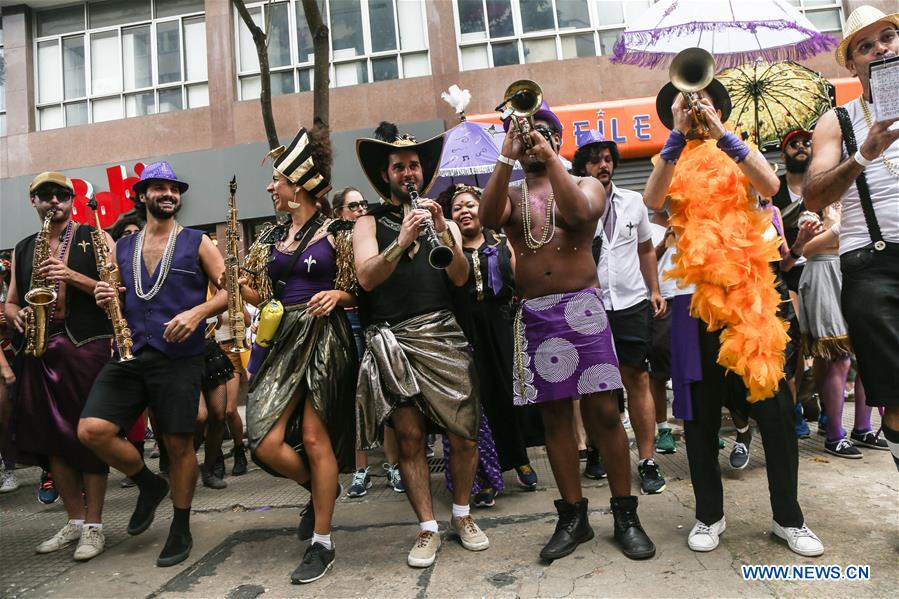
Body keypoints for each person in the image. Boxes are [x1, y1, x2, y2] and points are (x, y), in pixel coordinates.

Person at [642, 74, 824, 557]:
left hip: (750, 302)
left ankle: (789, 518)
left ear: (717, 106)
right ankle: (708, 515)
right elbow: (651, 202)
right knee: (699, 417)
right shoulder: (672, 157)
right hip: (691, 303)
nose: (694, 105)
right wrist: (677, 137)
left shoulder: (737, 149)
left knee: (776, 411)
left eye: (700, 98)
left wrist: (722, 133)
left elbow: (770, 185)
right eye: (685, 101)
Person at [481, 102, 655, 562]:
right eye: (527, 133)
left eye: (544, 132)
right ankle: (573, 517)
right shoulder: (512, 191)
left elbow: (580, 215)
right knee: (556, 419)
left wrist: (548, 158)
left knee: (603, 413)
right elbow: (484, 218)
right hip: (534, 312)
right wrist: (505, 153)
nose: (534, 138)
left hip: (584, 309)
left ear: (558, 141)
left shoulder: (584, 182)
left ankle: (625, 514)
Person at [79, 161, 228, 568]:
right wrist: (104, 298)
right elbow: (117, 294)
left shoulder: (198, 241)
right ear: (142, 195)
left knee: (179, 446)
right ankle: (148, 484)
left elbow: (229, 291)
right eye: (158, 187)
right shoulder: (121, 245)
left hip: (179, 357)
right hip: (129, 354)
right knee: (91, 430)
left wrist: (197, 313)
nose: (168, 194)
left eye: (174, 188)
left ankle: (181, 525)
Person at [354, 122, 487, 569]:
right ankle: (428, 526)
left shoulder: (443, 218)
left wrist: (440, 230)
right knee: (409, 438)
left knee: (464, 432)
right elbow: (366, 278)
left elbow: (461, 278)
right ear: (386, 174)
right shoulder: (367, 222)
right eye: (399, 167)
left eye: (413, 166)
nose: (407, 173)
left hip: (444, 334)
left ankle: (463, 515)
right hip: (395, 338)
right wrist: (404, 240)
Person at [239, 124, 358, 584]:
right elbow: (255, 292)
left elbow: (359, 288)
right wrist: (239, 283)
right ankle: (320, 486)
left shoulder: (337, 231)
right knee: (264, 442)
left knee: (313, 438)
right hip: (282, 337)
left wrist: (339, 297)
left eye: (278, 181)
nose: (271, 187)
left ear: (300, 187)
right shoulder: (268, 236)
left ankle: (322, 543)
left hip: (326, 337)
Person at [803, 5, 899, 472]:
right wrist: (862, 154)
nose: (880, 48)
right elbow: (812, 195)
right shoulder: (836, 121)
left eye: (887, 37)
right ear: (852, 63)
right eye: (866, 45)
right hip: (872, 265)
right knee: (896, 397)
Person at [3, 172, 114, 561]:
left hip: (86, 347)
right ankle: (75, 520)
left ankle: (96, 526)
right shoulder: (22, 247)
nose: (54, 201)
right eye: (45, 196)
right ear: (33, 201)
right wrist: (15, 315)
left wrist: (69, 275)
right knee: (54, 442)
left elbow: (114, 292)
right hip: (39, 350)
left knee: (88, 437)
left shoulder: (97, 237)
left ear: (73, 199)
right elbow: (13, 300)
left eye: (61, 195)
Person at [571, 130, 668, 495]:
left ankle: (647, 459)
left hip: (630, 303)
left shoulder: (633, 203)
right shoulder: (575, 204)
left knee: (637, 378)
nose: (604, 164)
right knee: (596, 384)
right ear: (583, 165)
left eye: (608, 158)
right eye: (595, 159)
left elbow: (645, 248)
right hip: (588, 306)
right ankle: (599, 449)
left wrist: (654, 289)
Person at [443, 183, 541, 506]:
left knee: (508, 392)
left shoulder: (502, 243)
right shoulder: (447, 249)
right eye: (457, 208)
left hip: (503, 325)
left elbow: (521, 284)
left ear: (482, 209)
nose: (464, 211)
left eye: (470, 204)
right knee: (480, 402)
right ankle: (486, 471)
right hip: (467, 330)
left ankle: (520, 458)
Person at [331, 187, 405, 497]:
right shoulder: (332, 239)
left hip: (377, 317)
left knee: (386, 394)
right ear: (340, 212)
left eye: (363, 203)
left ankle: (393, 465)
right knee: (356, 397)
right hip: (348, 320)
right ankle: (361, 471)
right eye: (353, 205)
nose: (361, 208)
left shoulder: (375, 231)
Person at [797, 208, 888, 457]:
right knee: (840, 359)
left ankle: (862, 428)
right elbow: (806, 250)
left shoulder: (858, 206)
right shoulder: (813, 214)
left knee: (868, 357)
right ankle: (835, 436)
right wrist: (838, 226)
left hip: (855, 275)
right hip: (823, 277)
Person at [647, 208, 678, 455]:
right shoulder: (648, 226)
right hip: (664, 301)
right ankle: (663, 427)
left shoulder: (693, 220)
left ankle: (698, 424)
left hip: (693, 299)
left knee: (692, 368)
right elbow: (643, 263)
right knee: (658, 369)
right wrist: (665, 242)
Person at [0, 257, 19, 494]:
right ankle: (10, 469)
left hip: (20, 352)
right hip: (3, 361)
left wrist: (11, 319)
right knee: (3, 414)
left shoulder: (14, 292)